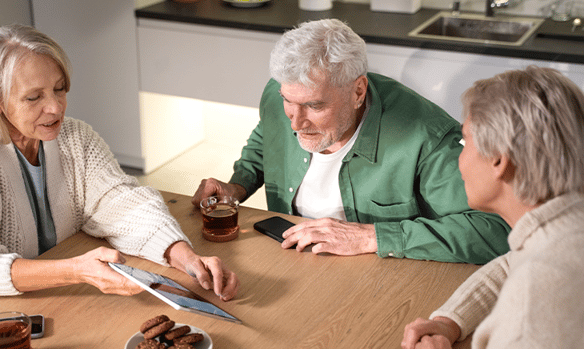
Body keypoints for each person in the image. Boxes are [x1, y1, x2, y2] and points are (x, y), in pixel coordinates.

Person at [0, 24, 238, 312]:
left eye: (59, 89)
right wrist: (77, 270)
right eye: (34, 97)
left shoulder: (75, 137)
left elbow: (124, 204)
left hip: (56, 303)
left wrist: (186, 258)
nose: (56, 108)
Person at [192, 18, 510, 264]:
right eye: (288, 101)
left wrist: (370, 237)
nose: (296, 121)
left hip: (380, 277)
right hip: (292, 261)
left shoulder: (426, 137)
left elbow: (495, 231)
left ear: (358, 91)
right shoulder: (283, 98)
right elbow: (267, 139)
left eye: (315, 106)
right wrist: (238, 186)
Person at [402, 66, 584, 349]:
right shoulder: (566, 227)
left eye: (464, 141)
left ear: (499, 160)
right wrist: (449, 321)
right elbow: (511, 264)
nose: (459, 159)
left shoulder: (530, 311)